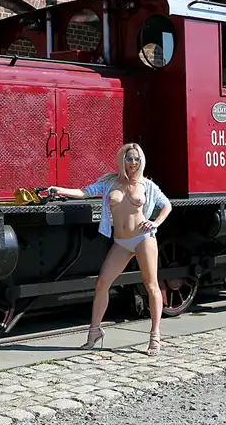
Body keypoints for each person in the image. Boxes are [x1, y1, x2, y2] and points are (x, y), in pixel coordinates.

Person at [48, 143, 171, 355]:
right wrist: (60, 190)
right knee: (102, 283)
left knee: (151, 285)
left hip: (143, 238)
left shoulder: (147, 185)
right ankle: (94, 331)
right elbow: (85, 192)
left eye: (137, 159)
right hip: (121, 242)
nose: (133, 162)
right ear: (122, 160)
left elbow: (166, 205)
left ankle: (155, 335)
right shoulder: (109, 182)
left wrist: (155, 223)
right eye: (129, 158)